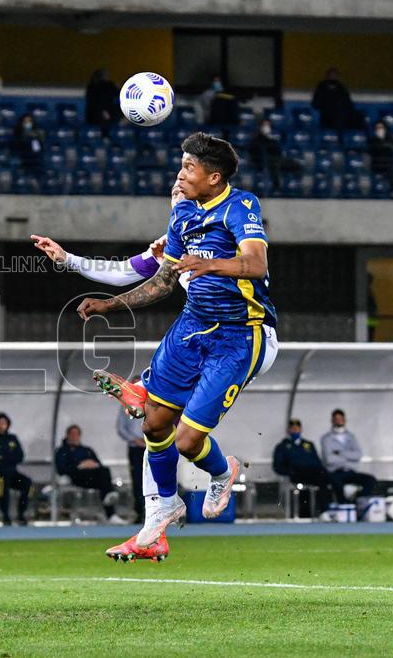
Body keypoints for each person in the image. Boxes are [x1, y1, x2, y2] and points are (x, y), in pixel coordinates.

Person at [77, 131, 277, 555]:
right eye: (181, 164)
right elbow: (164, 282)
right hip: (192, 326)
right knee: (152, 422)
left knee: (187, 441)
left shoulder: (241, 205)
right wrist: (110, 304)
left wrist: (211, 264)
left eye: (190, 167)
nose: (181, 173)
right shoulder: (182, 213)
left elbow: (256, 264)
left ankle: (223, 474)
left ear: (215, 176)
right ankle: (165, 507)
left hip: (239, 334)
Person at [54, 425, 125, 523]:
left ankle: (110, 509)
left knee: (104, 472)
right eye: (72, 434)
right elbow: (61, 468)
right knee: (105, 483)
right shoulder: (62, 451)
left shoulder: (87, 450)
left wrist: (92, 464)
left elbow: (98, 464)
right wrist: (80, 466)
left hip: (91, 477)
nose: (74, 436)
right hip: (75, 477)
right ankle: (110, 503)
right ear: (68, 435)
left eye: (76, 434)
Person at [272, 418, 333, 515]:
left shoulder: (308, 444)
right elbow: (277, 466)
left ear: (301, 429)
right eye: (293, 428)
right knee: (321, 478)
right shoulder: (283, 446)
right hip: (296, 475)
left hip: (313, 474)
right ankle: (322, 511)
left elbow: (317, 461)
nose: (295, 430)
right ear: (288, 430)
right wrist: (289, 471)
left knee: (326, 479)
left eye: (297, 427)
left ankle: (327, 510)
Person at [0, 412, 33, 526]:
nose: (1, 426)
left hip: (12, 473)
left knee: (27, 483)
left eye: (4, 423)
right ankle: (5, 515)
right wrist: (8, 457)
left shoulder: (12, 439)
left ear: (8, 425)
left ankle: (21, 514)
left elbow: (20, 456)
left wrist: (2, 457)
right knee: (3, 481)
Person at [320, 409, 376, 502]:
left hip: (350, 472)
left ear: (345, 420)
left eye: (340, 418)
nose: (338, 421)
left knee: (371, 480)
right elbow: (329, 460)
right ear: (332, 421)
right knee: (337, 483)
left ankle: (357, 500)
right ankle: (343, 505)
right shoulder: (326, 438)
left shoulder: (351, 437)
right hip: (335, 472)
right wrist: (348, 458)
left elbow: (358, 455)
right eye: (336, 419)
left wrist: (340, 453)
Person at [116, 380, 147, 521]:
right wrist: (135, 440)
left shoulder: (152, 403)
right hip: (135, 448)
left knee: (155, 478)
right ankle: (140, 511)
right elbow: (121, 428)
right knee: (137, 480)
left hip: (152, 447)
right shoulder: (125, 406)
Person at [311, 67, 362, 131]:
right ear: (327, 76)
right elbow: (316, 103)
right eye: (331, 75)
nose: (333, 77)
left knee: (359, 117)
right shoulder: (322, 86)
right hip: (328, 117)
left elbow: (348, 102)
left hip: (343, 116)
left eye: (335, 75)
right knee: (340, 119)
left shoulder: (340, 86)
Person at [367, 120, 393, 189]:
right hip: (376, 163)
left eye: (381, 128)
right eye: (377, 128)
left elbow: (392, 147)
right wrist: (383, 145)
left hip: (388, 163)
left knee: (391, 169)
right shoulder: (372, 139)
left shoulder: (390, 138)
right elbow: (371, 150)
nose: (379, 130)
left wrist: (383, 145)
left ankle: (392, 191)